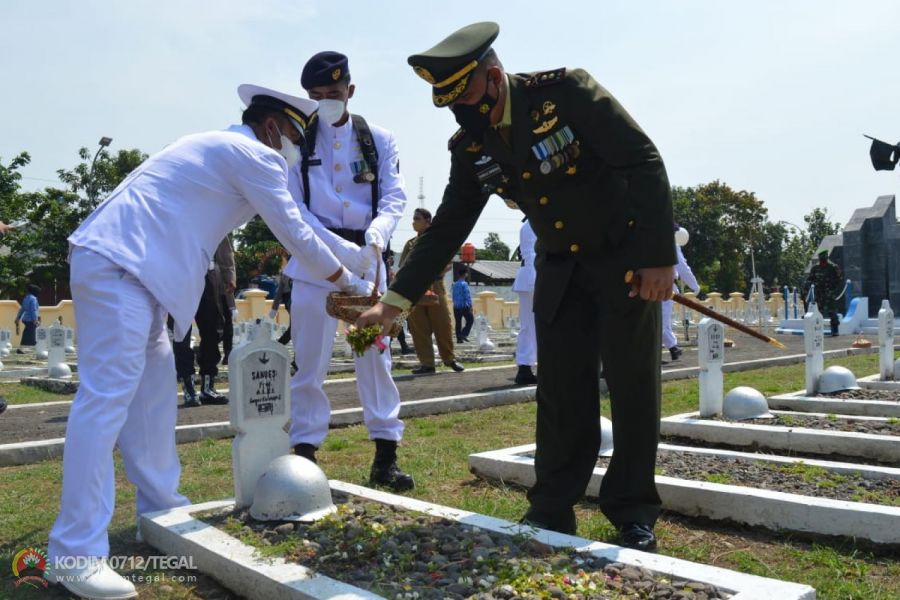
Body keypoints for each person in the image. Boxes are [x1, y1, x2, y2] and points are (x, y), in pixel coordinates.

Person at [46, 83, 373, 599]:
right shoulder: (251, 155)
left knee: (153, 401)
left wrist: (364, 259)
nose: (295, 153)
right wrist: (352, 284)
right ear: (271, 128)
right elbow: (295, 235)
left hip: (136, 272)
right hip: (120, 265)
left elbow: (305, 224)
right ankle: (74, 552)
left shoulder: (228, 148)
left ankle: (161, 511)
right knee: (105, 402)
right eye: (293, 138)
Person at [358, 22, 675, 552]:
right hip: (560, 271)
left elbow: (643, 162)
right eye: (452, 105)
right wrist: (393, 303)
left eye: (469, 98)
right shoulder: (470, 142)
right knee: (561, 395)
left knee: (632, 389)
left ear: (495, 77)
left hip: (622, 264)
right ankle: (552, 505)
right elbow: (449, 226)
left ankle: (632, 510)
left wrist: (657, 258)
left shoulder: (566, 93)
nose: (464, 113)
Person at [283, 51, 414, 491]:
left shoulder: (378, 138)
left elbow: (394, 197)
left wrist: (376, 238)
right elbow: (294, 207)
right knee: (309, 362)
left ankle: (385, 455)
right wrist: (340, 250)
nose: (326, 102)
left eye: (334, 94)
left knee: (375, 358)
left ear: (350, 92)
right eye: (316, 96)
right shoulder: (295, 141)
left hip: (369, 261)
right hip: (312, 261)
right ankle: (304, 453)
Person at [170, 236, 235, 407]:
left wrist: (229, 273)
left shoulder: (210, 210)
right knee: (181, 332)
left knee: (213, 330)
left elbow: (222, 238)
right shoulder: (170, 210)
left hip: (209, 274)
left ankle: (207, 388)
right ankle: (189, 389)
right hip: (179, 276)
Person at [400, 208, 466, 374]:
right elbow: (402, 266)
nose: (413, 222)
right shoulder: (409, 244)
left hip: (435, 285)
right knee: (418, 327)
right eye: (413, 219)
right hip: (415, 288)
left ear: (428, 220)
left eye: (417, 219)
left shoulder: (438, 239)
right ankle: (427, 363)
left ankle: (449, 359)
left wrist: (432, 271)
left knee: (443, 323)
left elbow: (448, 263)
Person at [663, 226, 700, 361]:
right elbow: (683, 268)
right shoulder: (671, 245)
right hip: (665, 286)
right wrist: (694, 285)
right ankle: (672, 348)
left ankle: (673, 348)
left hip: (654, 285)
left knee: (660, 320)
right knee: (661, 320)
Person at [512, 219, 538, 384]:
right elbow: (534, 255)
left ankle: (525, 367)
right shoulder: (535, 223)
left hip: (529, 276)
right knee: (532, 326)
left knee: (528, 326)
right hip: (535, 277)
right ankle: (525, 368)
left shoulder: (528, 224)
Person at [804, 249, 843, 336]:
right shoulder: (815, 268)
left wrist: (832, 288)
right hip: (819, 293)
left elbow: (839, 279)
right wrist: (812, 285)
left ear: (826, 257)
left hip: (829, 293)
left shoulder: (833, 267)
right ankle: (818, 330)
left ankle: (835, 330)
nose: (822, 259)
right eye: (821, 258)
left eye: (824, 258)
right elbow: (810, 279)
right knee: (818, 312)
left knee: (832, 311)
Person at [14, 283, 40, 352]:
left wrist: (18, 318)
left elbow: (22, 309)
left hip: (25, 319)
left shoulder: (26, 298)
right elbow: (33, 309)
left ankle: (23, 347)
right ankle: (25, 348)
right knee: (30, 334)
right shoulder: (33, 298)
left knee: (28, 333)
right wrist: (35, 319)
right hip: (31, 319)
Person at [452, 267, 474, 343]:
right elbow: (467, 296)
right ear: (465, 274)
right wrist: (470, 306)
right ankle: (463, 334)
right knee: (470, 320)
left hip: (456, 306)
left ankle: (459, 339)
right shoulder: (464, 284)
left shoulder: (454, 284)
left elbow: (453, 295)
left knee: (458, 322)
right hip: (464, 306)